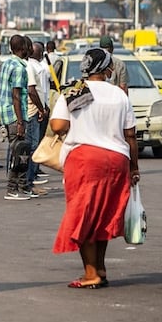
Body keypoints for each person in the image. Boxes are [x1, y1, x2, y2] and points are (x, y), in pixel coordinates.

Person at [51, 48, 139, 288]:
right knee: (103, 216)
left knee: (84, 217)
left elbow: (58, 125)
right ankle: (100, 268)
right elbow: (130, 135)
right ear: (108, 69)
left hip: (85, 160)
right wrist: (134, 168)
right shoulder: (120, 94)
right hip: (117, 160)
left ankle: (91, 274)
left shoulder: (74, 90)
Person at [0, 34, 31, 200]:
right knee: (19, 152)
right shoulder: (19, 68)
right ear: (23, 48)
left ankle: (22, 186)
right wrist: (19, 121)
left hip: (5, 112)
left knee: (17, 150)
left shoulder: (6, 64)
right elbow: (16, 95)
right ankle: (12, 188)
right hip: (15, 114)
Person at [25, 40, 50, 191]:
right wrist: (42, 108)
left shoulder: (33, 66)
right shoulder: (36, 67)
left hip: (36, 108)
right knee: (34, 145)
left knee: (33, 144)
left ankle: (31, 177)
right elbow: (34, 91)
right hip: (34, 110)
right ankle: (30, 178)